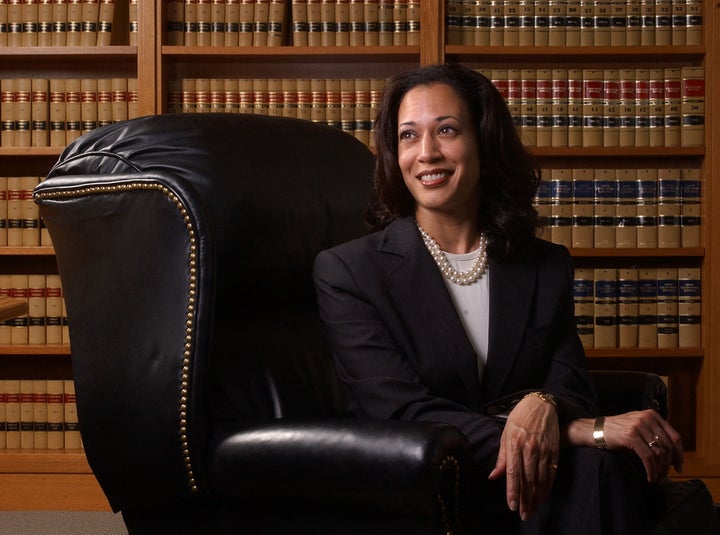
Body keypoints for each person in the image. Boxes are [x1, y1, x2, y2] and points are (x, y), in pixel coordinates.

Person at [313, 63, 684, 533]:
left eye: (446, 130)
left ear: (483, 142)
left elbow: (568, 379)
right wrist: (574, 430)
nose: (426, 153)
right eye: (408, 136)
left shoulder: (543, 264)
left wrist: (545, 403)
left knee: (601, 469)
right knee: (595, 463)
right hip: (424, 482)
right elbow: (399, 409)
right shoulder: (349, 271)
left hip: (536, 487)